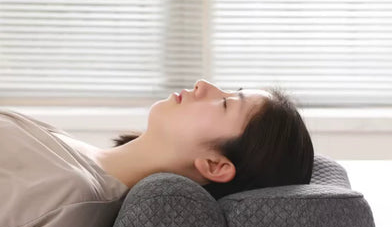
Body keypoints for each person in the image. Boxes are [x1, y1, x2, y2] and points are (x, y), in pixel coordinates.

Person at [98, 78, 315, 200]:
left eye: (224, 104)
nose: (202, 85)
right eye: (227, 92)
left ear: (215, 165)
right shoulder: (85, 164)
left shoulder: (80, 189)